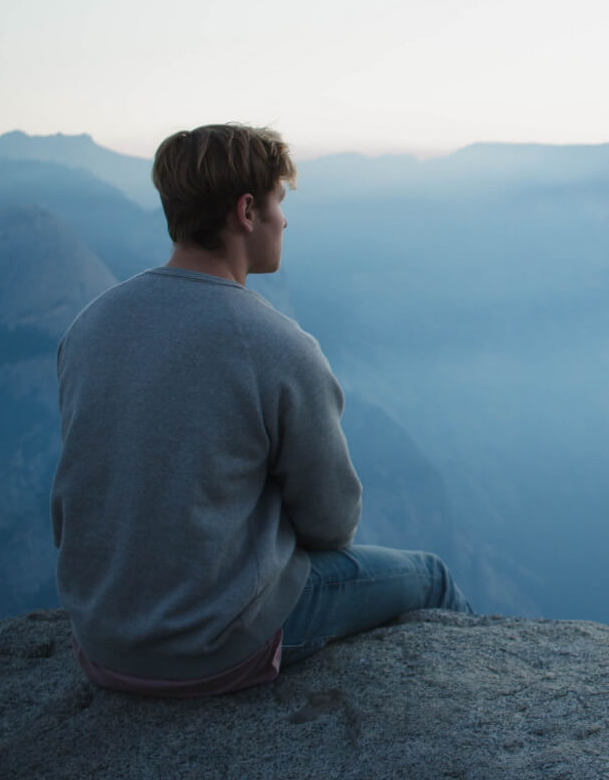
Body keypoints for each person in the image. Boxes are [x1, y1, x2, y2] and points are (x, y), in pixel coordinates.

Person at [50, 123, 471, 697]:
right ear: (247, 211)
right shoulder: (276, 346)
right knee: (433, 577)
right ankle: (486, 713)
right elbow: (332, 523)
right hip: (216, 650)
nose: (285, 219)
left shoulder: (88, 327)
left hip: (100, 647)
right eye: (279, 200)